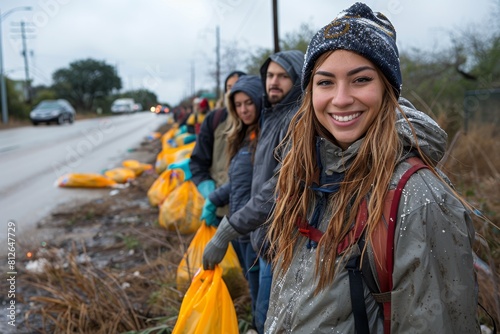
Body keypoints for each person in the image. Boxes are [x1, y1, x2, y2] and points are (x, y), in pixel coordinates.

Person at [263, 3, 479, 333]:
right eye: (325, 82)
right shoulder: (304, 175)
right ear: (309, 92)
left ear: (387, 89)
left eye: (360, 79)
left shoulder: (418, 197)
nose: (341, 98)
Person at [203, 49, 305, 334]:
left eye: (283, 76)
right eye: (270, 75)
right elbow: (249, 182)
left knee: (269, 319)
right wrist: (215, 198)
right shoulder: (272, 118)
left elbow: (280, 187)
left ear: (297, 78)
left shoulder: (296, 120)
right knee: (263, 314)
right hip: (260, 235)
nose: (274, 82)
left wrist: (228, 228)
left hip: (279, 238)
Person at [200, 75, 263, 330]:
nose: (244, 109)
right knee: (254, 288)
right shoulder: (245, 134)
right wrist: (215, 198)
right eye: (238, 105)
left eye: (249, 102)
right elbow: (240, 182)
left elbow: (265, 191)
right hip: (242, 232)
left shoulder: (267, 136)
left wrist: (228, 230)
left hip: (258, 232)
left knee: (263, 300)